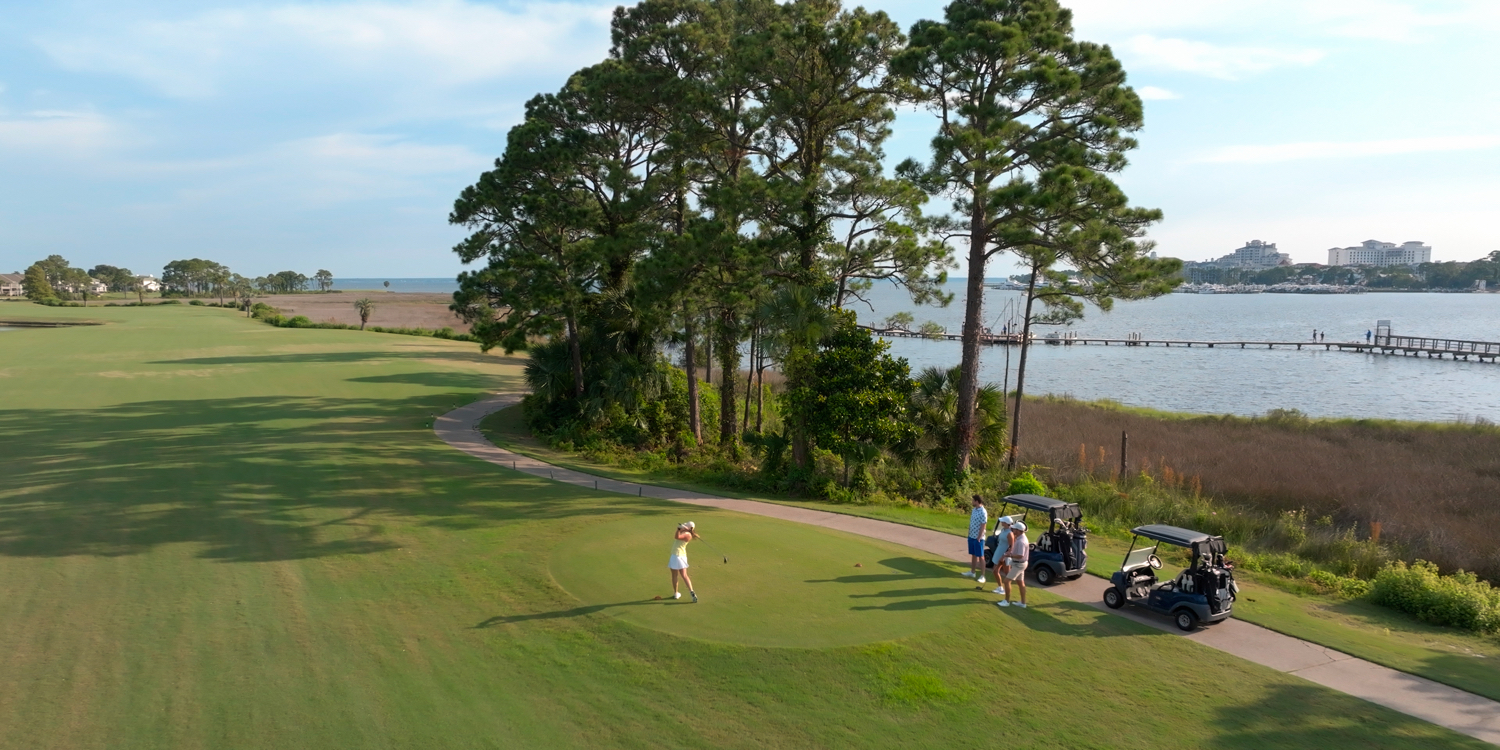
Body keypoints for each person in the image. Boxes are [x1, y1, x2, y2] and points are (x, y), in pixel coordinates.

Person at [997, 521, 1030, 609]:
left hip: (1019, 564)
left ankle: (1006, 601)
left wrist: (1009, 555)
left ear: (1018, 530)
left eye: (1014, 529)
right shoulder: (1019, 537)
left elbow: (1020, 555)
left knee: (1006, 581)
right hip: (1020, 563)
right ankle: (1023, 603)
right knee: (1020, 583)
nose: (1012, 529)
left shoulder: (1021, 541)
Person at [668, 521, 699, 603]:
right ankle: (689, 592)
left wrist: (678, 529)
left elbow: (676, 537)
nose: (685, 523)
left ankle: (676, 593)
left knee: (676, 575)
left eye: (687, 524)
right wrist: (681, 528)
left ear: (689, 528)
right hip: (681, 556)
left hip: (676, 556)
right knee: (684, 575)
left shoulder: (687, 535)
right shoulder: (685, 532)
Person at [963, 495, 989, 583]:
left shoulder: (983, 512)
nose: (972, 502)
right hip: (971, 536)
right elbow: (971, 522)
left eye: (973, 500)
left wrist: (979, 537)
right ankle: (972, 572)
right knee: (973, 555)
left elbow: (983, 525)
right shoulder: (973, 510)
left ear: (977, 501)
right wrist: (969, 533)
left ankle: (982, 576)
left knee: (981, 556)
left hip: (979, 538)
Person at [989, 516, 1014, 593]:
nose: (1001, 522)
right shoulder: (1003, 530)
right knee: (995, 570)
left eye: (1003, 521)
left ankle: (1007, 589)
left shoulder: (1010, 533)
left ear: (1006, 523)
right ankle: (1000, 587)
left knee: (1007, 573)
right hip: (999, 552)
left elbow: (1011, 547)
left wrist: (1004, 556)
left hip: (1005, 556)